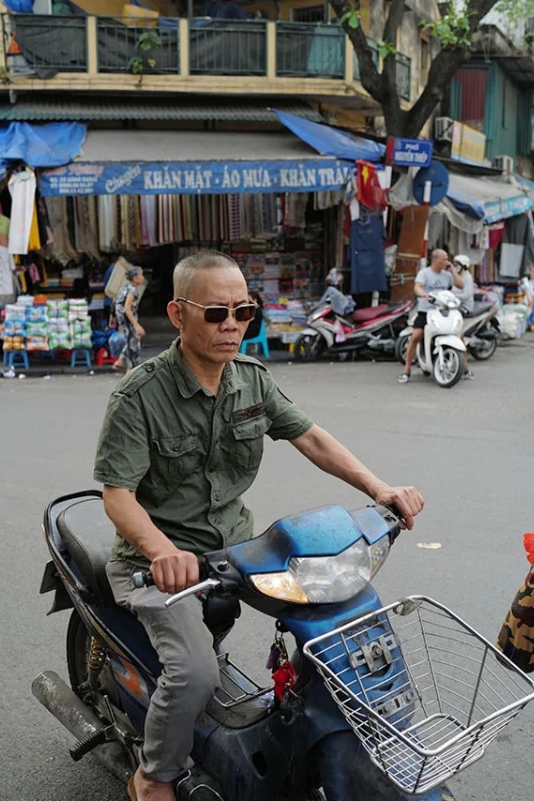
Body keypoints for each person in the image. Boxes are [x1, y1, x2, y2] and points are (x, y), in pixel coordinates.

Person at [93, 250, 424, 801]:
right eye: (216, 313)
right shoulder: (139, 396)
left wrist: (379, 488)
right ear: (177, 315)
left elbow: (312, 438)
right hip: (158, 567)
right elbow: (118, 497)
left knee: (337, 628)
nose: (232, 326)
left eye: (243, 312)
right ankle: (152, 777)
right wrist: (159, 552)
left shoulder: (251, 380)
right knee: (196, 673)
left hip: (237, 554)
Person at [400, 249, 463, 384]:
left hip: (443, 311)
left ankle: (465, 369)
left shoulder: (447, 275)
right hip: (426, 312)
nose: (447, 262)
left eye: (447, 259)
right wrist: (422, 294)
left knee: (459, 334)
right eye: (444, 259)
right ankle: (406, 369)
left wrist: (452, 271)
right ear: (435, 260)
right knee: (416, 335)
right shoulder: (424, 273)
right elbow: (417, 287)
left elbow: (460, 285)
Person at [114, 266, 147, 373]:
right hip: (128, 318)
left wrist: (113, 317)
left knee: (132, 340)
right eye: (141, 275)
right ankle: (131, 369)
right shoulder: (132, 291)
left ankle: (121, 360)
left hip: (122, 318)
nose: (143, 277)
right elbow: (127, 308)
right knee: (133, 343)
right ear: (135, 277)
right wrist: (136, 325)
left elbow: (116, 302)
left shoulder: (124, 287)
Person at [451, 255, 475, 380]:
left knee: (459, 336)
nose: (455, 267)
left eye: (457, 265)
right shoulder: (453, 276)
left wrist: (450, 295)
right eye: (454, 264)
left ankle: (465, 368)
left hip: (463, 308)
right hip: (452, 306)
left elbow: (466, 295)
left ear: (464, 266)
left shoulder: (467, 278)